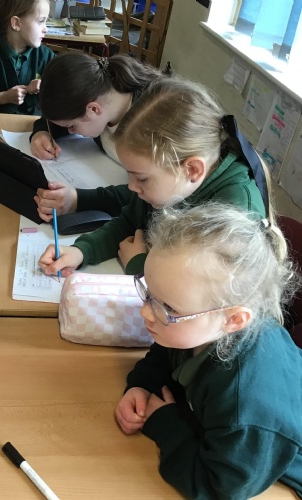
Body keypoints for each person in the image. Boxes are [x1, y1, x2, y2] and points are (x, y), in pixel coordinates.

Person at [115, 202, 302, 499]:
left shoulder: (247, 407)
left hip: (271, 475)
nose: (146, 313)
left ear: (233, 319)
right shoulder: (202, 329)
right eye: (149, 293)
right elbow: (168, 352)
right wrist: (142, 385)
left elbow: (217, 488)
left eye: (168, 307)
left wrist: (165, 424)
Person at [38, 77, 271, 277]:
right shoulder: (167, 185)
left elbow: (205, 299)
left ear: (192, 170)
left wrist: (140, 267)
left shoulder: (237, 215)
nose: (131, 186)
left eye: (141, 179)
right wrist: (81, 251)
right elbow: (129, 222)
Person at [31, 51, 166, 220]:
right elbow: (58, 116)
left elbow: (148, 192)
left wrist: (79, 200)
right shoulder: (101, 93)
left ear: (94, 109)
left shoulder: (152, 124)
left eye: (71, 126)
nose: (70, 131)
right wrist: (41, 132)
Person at [0, 0, 55, 115]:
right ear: (16, 23)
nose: (45, 29)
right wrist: (4, 97)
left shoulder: (46, 56)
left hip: (32, 123)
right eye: (41, 21)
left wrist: (44, 87)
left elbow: (63, 91)